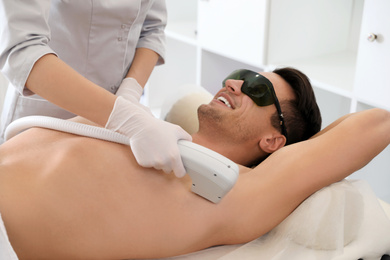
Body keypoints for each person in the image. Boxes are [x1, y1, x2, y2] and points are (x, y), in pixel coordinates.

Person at [0, 67, 389, 260]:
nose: (234, 85)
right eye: (240, 76)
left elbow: (375, 123)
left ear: (274, 140)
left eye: (258, 89)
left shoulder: (238, 192)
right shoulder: (146, 128)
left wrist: (289, 156)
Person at [0, 0, 192, 177]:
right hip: (47, 113)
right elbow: (22, 50)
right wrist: (126, 117)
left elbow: (153, 29)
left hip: (118, 123)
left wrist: (130, 92)